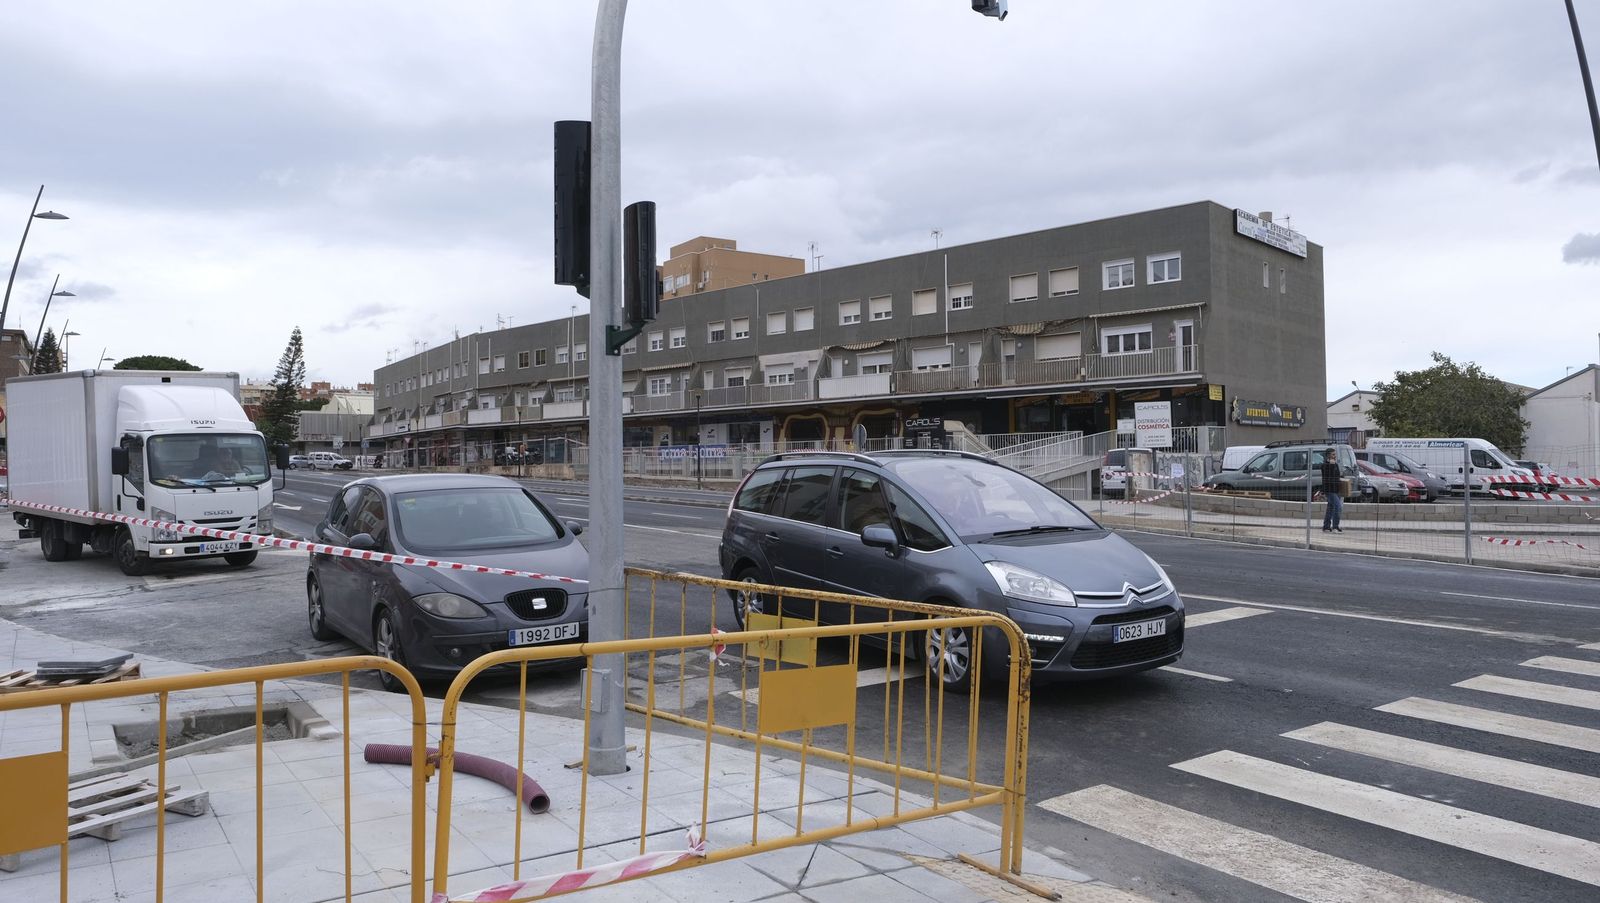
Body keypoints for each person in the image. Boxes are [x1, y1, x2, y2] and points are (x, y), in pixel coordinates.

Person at [1320, 449, 1344, 533]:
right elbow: (1328, 476)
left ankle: (1326, 526)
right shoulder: (1325, 465)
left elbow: (1336, 475)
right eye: (1333, 454)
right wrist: (1332, 466)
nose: (1335, 456)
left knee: (1330, 508)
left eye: (1335, 454)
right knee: (1338, 507)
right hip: (1329, 490)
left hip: (1336, 489)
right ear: (1328, 455)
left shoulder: (1335, 465)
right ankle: (1335, 527)